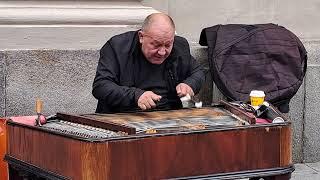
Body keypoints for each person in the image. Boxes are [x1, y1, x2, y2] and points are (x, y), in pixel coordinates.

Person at [92, 13, 204, 113]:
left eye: (168, 45)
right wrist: (135, 96)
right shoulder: (117, 47)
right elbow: (100, 86)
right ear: (141, 37)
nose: (162, 52)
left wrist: (189, 84)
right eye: (156, 45)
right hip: (122, 115)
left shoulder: (180, 46)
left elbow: (197, 72)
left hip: (169, 115)